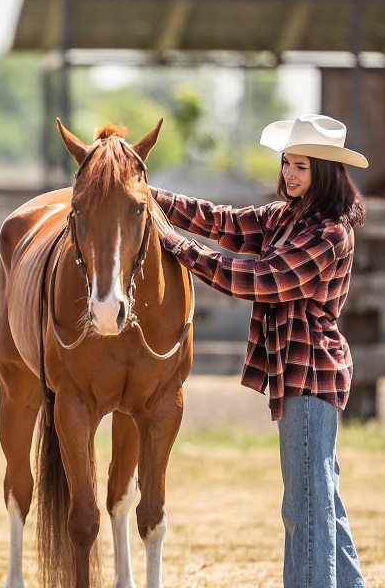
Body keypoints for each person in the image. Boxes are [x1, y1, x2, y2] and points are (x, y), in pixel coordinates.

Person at [152, 114, 368, 588]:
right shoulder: (284, 218)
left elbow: (261, 280)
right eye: (288, 163)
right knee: (322, 504)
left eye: (302, 167)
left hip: (310, 375)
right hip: (302, 375)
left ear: (326, 173)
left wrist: (179, 247)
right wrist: (152, 197)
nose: (289, 174)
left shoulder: (328, 234)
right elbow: (222, 221)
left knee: (304, 507)